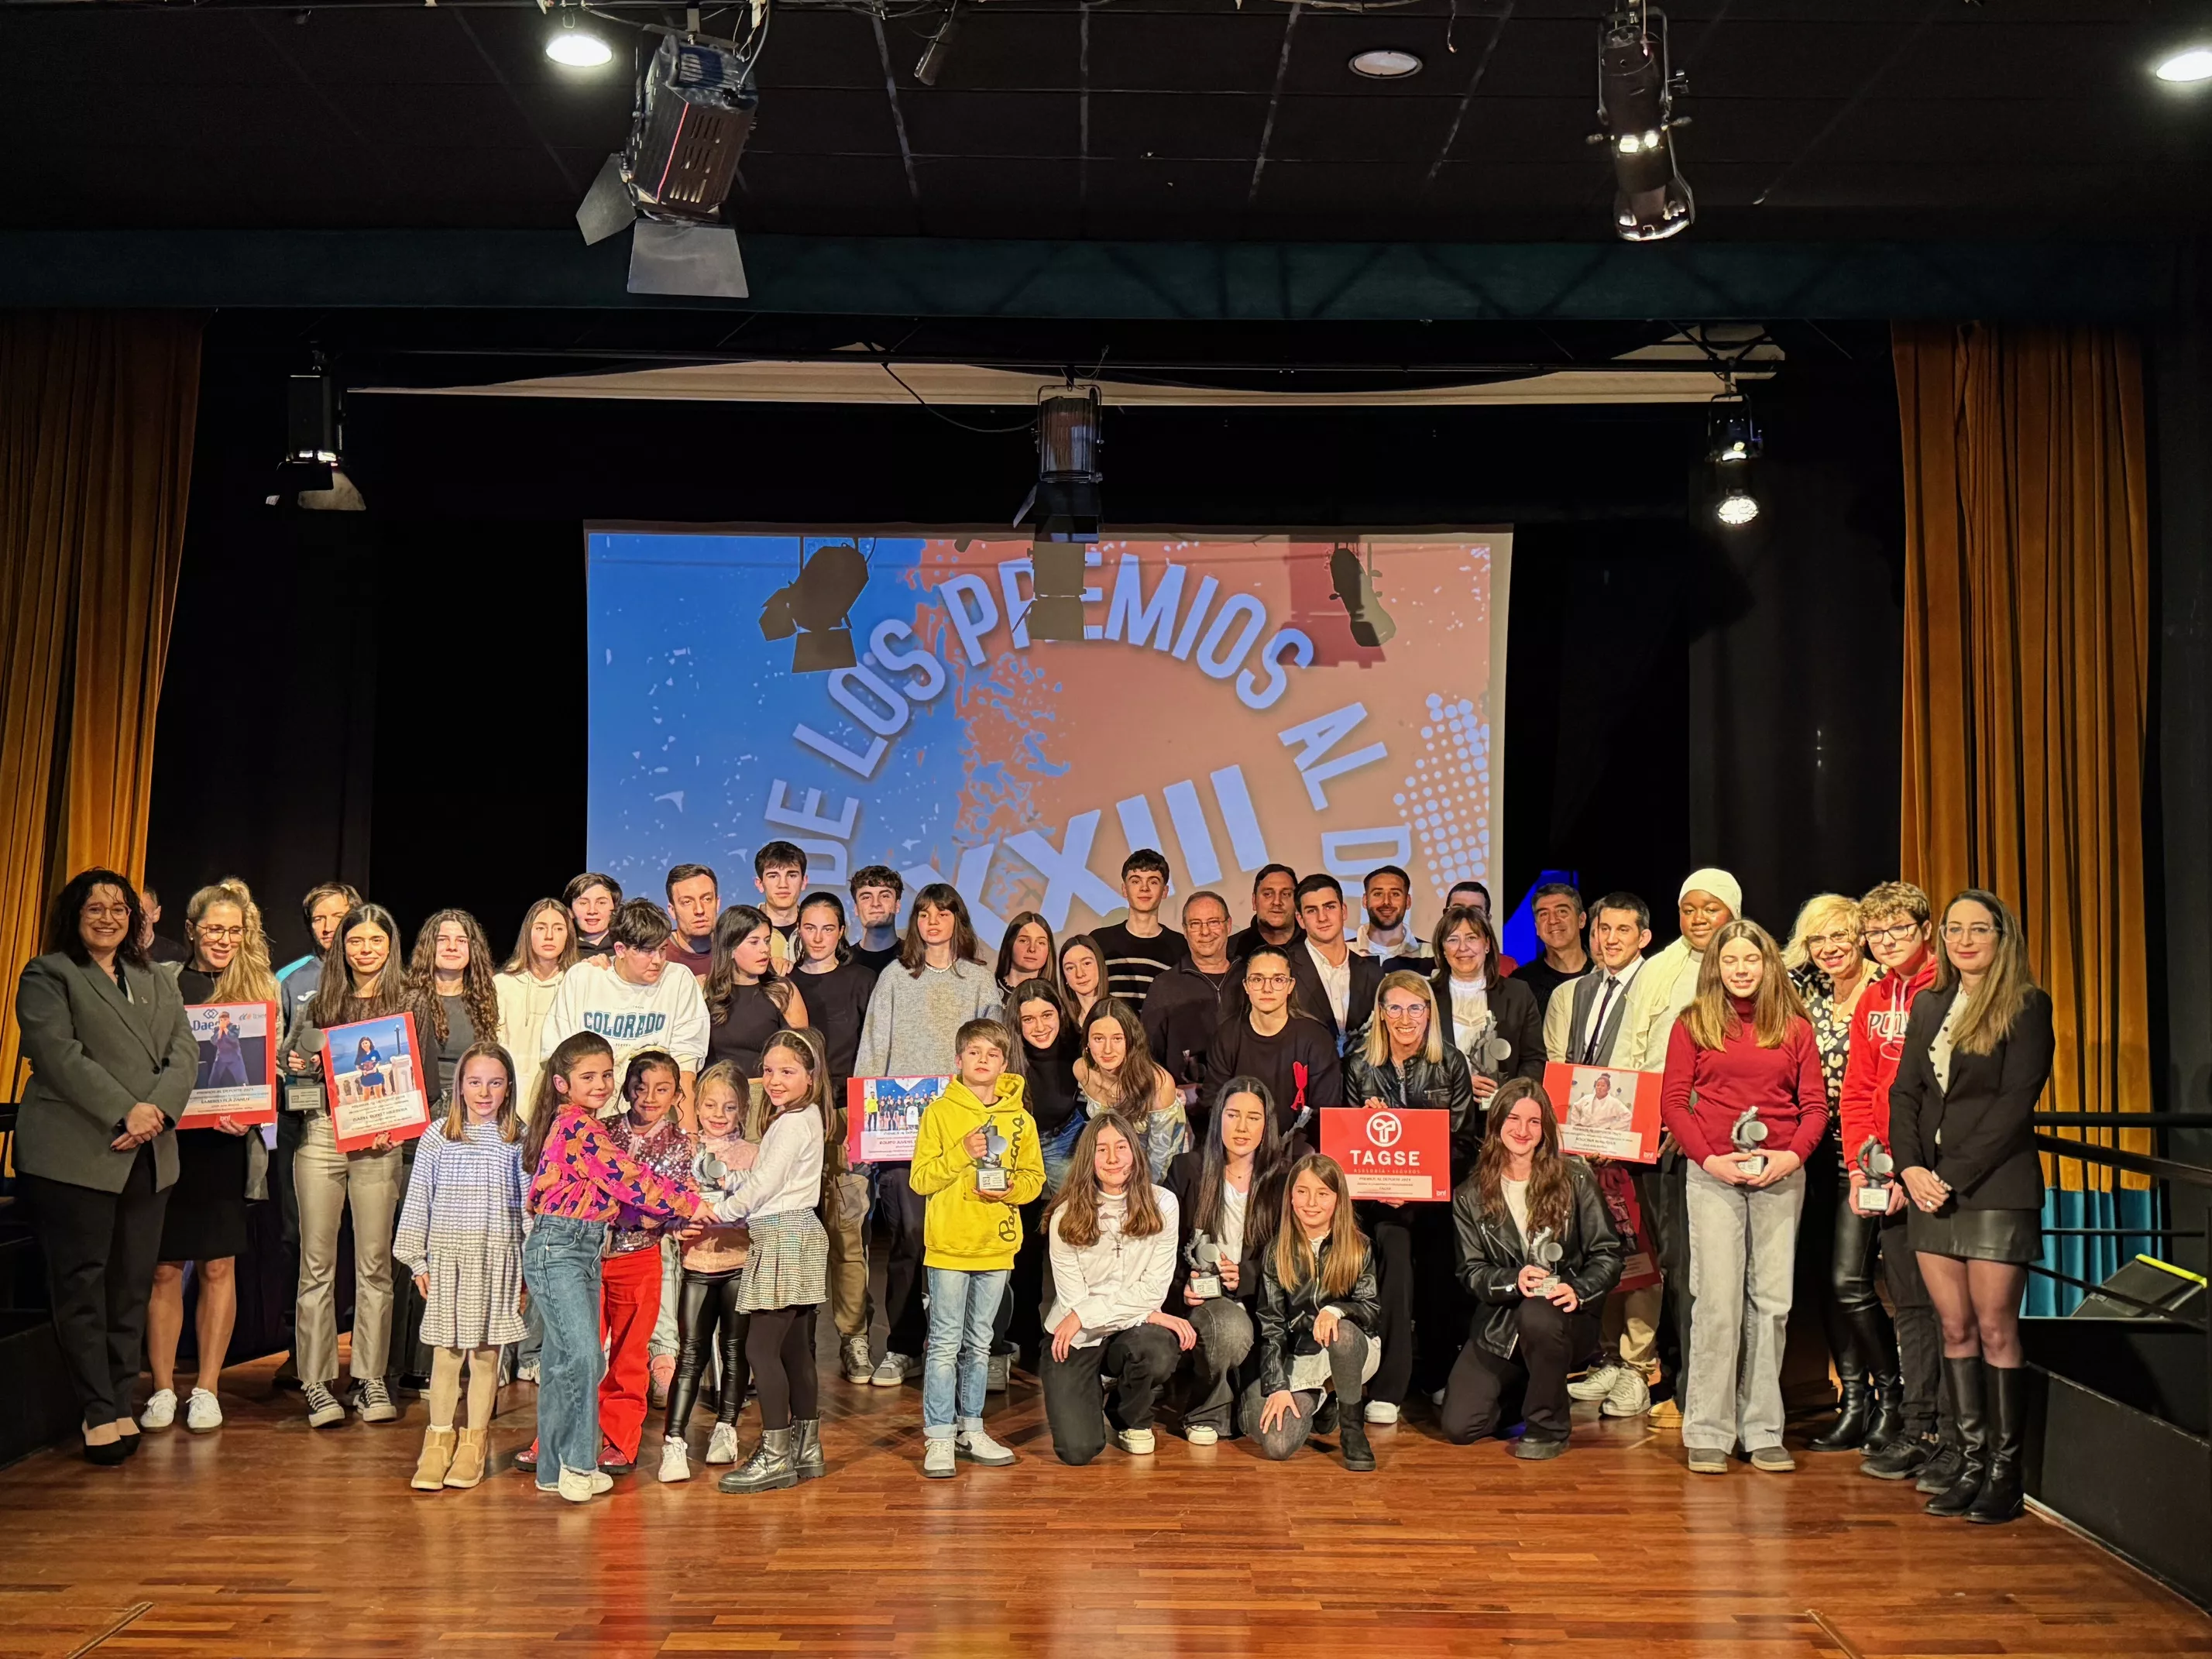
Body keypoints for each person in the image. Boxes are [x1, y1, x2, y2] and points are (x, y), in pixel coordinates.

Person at [15, 870, 197, 1463]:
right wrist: (125, 1110)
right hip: (76, 1153)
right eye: (94, 908)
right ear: (74, 914)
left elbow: (184, 1053)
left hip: (148, 1153)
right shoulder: (48, 975)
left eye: (119, 909)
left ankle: (120, 1399)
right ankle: (96, 1410)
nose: (108, 918)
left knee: (130, 1287)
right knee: (82, 1288)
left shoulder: (157, 978)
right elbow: (58, 1056)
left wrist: (156, 1112)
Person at [1888, 889, 2054, 1526]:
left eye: (1978, 929)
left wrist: (1946, 1177)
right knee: (1953, 1327)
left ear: (2001, 937)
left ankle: (2005, 1475)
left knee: (1994, 1329)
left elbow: (2014, 1105)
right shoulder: (1929, 1003)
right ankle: (1969, 1461)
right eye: (1954, 929)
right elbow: (1905, 1093)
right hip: (1931, 1190)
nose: (1963, 940)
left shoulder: (2026, 1005)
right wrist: (1910, 1169)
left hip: (1994, 1190)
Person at [1661, 918, 1826, 1475]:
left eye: (1751, 960)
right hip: (1714, 1175)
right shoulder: (1693, 1024)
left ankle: (1762, 1429)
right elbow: (1674, 1103)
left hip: (1780, 1175)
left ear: (1768, 964)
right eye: (1730, 960)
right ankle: (1709, 1429)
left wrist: (1791, 1158)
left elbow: (1815, 1107)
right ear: (1716, 966)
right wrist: (1709, 1159)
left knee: (1772, 1305)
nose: (1740, 969)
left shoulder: (1795, 1027)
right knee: (1717, 1302)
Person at [519, 1032, 706, 1503]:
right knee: (585, 1357)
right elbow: (628, 1179)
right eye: (588, 1077)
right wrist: (688, 1204)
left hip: (585, 1247)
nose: (600, 1085)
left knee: (563, 1360)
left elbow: (617, 1194)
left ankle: (553, 1468)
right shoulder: (580, 1127)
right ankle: (579, 1464)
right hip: (561, 1246)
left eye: (605, 1075)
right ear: (562, 1083)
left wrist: (672, 1213)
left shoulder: (589, 1126)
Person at [285, 901, 439, 1430]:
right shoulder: (320, 1000)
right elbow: (294, 1064)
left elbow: (425, 1086)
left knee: (375, 1264)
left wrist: (397, 1127)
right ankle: (316, 1381)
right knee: (316, 1266)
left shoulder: (411, 1001)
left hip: (381, 1142)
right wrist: (298, 1062)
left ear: (390, 946)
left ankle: (371, 1378)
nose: (365, 950)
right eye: (355, 941)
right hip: (323, 1137)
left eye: (376, 940)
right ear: (341, 947)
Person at [853, 883, 1001, 1389]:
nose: (933, 921)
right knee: (909, 1238)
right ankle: (901, 1346)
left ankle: (960, 1347)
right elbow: (872, 1051)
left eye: (943, 913)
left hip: (964, 1133)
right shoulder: (895, 977)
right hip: (902, 1138)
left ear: (959, 920)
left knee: (961, 1240)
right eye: (924, 913)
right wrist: (863, 1132)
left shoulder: (979, 981)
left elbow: (994, 1052)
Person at [144, 879, 277, 1435]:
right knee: (163, 1267)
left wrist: (250, 1113)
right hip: (169, 1143)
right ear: (192, 930)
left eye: (234, 930)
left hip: (226, 1146)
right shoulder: (163, 982)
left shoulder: (260, 988)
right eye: (214, 929)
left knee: (219, 1265)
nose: (224, 939)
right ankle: (161, 1389)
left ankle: (207, 1388)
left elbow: (266, 1070)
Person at [1614, 867, 1740, 1420]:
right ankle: (1669, 1374)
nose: (1698, 919)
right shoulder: (1658, 969)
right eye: (1689, 909)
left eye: (1710, 908)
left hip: (1718, 1138)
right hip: (1656, 1137)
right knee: (1664, 1261)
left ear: (1733, 912)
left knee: (1704, 1268)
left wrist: (1694, 1120)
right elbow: (1630, 1050)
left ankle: (1706, 1389)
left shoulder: (1747, 965)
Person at [1442, 1079, 1623, 1456]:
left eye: (1534, 1121)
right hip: (1502, 1323)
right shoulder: (1470, 1195)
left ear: (1545, 1129)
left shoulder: (1575, 1177)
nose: (1523, 1130)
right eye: (1513, 1119)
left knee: (1538, 1314)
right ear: (1496, 1123)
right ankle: (1543, 1388)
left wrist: (1579, 1289)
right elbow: (1471, 1271)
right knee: (1460, 1426)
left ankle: (1547, 1427)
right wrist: (1514, 1280)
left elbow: (1607, 1254)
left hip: (1565, 1314)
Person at [1839, 881, 1946, 1486]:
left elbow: (1940, 1095)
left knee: (1949, 1310)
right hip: (1886, 1175)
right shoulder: (1873, 997)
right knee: (1908, 1304)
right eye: (1875, 932)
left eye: (1898, 929)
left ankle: (1953, 1433)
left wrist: (1911, 1166)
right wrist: (1864, 1167)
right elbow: (1858, 1091)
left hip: (1936, 1176)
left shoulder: (1945, 988)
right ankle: (1919, 1426)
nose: (1885, 941)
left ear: (1926, 930)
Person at [702, 1028, 836, 1494]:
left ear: (811, 1076)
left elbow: (766, 1185)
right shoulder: (802, 1118)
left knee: (760, 1350)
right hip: (795, 1231)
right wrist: (731, 1186)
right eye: (770, 1071)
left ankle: (776, 1455)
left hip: (783, 1236)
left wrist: (720, 1211)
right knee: (793, 1348)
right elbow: (767, 1178)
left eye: (788, 1072)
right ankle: (806, 1448)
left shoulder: (793, 1122)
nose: (775, 1080)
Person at [909, 1018, 1045, 1476]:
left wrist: (1009, 1189)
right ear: (959, 1060)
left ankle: (972, 1427)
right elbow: (921, 1179)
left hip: (996, 1246)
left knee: (981, 1344)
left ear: (1004, 1064)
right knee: (945, 1343)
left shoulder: (1021, 1120)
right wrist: (963, 1152)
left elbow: (1034, 1180)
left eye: (992, 1054)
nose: (983, 1061)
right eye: (974, 1052)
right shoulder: (939, 1113)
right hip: (949, 1246)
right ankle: (939, 1435)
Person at [1343, 970, 1479, 1421]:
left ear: (1429, 1013)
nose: (1406, 1018)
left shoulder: (1452, 1063)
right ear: (1381, 1013)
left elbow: (1464, 1143)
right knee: (1396, 1257)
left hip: (1436, 1199)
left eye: (1415, 1008)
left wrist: (1417, 1185)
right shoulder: (1358, 1065)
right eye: (1395, 1008)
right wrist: (1368, 1125)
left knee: (1441, 1261)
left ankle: (1437, 1374)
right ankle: (1389, 1387)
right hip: (1379, 1203)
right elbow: (1348, 1146)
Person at [395, 1042, 527, 1492]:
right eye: (475, 1082)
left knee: (486, 1356)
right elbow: (418, 1200)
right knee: (446, 1354)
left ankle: (473, 1442)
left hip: (497, 1261)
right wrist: (418, 1260)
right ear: (460, 1086)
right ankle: (437, 1441)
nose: (484, 1093)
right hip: (448, 1261)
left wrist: (528, 1268)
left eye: (495, 1083)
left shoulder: (519, 1139)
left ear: (508, 1087)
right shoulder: (438, 1136)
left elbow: (530, 1206)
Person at [1783, 892, 1883, 1453]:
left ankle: (1891, 1397)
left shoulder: (1883, 989)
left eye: (1838, 936)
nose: (1828, 949)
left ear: (1860, 936)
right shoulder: (1809, 991)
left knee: (1851, 1282)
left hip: (1867, 1159)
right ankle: (1854, 1401)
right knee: (1826, 1281)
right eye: (1817, 939)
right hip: (1814, 1157)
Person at [1039, 1111, 1189, 1465]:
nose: (1112, 1158)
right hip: (1077, 1335)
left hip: (1124, 1331)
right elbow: (1073, 1300)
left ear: (1134, 1152)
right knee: (1078, 1451)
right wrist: (1145, 1313)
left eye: (1121, 1147)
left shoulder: (1164, 1204)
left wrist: (1141, 1313)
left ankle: (1125, 1413)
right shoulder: (1065, 1215)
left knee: (1157, 1347)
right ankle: (1090, 1386)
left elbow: (1153, 1290)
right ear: (1087, 1158)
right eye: (1101, 1149)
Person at [400, 908, 502, 1384]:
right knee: (420, 1241)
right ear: (428, 946)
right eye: (443, 939)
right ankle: (406, 1365)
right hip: (418, 1126)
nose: (452, 946)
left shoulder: (485, 999)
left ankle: (450, 1363)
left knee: (460, 1244)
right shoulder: (410, 998)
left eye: (462, 940)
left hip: (472, 1128)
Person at [1163, 1078, 1289, 1443]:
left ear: (1267, 1125)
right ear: (1218, 1117)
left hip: (1261, 1305)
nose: (1242, 1127)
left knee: (1263, 1430)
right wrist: (1182, 1285)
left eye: (1253, 1117)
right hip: (1206, 1303)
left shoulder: (1282, 1179)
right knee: (1229, 1328)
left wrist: (1246, 1276)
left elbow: (1291, 1256)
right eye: (1233, 1115)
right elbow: (1163, 1246)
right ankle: (1205, 1412)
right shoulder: (1187, 1169)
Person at [271, 880, 360, 1389]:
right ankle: (300, 1351)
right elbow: (275, 1050)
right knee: (300, 1237)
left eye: (338, 916)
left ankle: (366, 1357)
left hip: (365, 1120)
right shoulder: (290, 979)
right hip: (304, 1120)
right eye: (318, 919)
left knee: (365, 1240)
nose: (328, 927)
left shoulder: (376, 971)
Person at [590, 1051, 696, 1476]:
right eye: (640, 1086)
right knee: (577, 1351)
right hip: (589, 1256)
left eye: (662, 1088)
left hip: (638, 1258)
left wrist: (658, 1212)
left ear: (676, 1095)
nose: (649, 1097)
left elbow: (668, 1206)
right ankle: (559, 1435)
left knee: (630, 1355)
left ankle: (619, 1440)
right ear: (626, 1088)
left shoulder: (679, 1143)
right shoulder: (603, 1130)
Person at [792, 891, 881, 1385]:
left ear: (842, 931)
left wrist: (862, 1124)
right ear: (798, 931)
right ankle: (799, 1341)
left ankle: (854, 1337)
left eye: (828, 928)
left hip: (849, 1116)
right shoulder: (784, 984)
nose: (819, 937)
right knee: (798, 1236)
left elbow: (874, 1051)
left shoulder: (862, 980)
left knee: (848, 1235)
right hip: (797, 1118)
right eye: (810, 928)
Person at [1244, 1153, 1380, 1469]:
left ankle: (1352, 1430)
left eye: (1323, 1193)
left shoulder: (1359, 1247)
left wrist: (1336, 1310)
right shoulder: (1276, 1252)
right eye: (1302, 1192)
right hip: (1302, 1358)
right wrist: (1278, 1386)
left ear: (1338, 1199)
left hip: (1352, 1351)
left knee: (1341, 1333)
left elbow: (1370, 1311)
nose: (1311, 1203)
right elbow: (1272, 1325)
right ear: (1290, 1197)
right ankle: (1324, 1399)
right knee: (1277, 1444)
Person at [658, 1062, 757, 1482]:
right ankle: (674, 1442)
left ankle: (726, 1428)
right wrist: (677, 1225)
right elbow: (667, 1206)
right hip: (697, 1267)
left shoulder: (752, 1154)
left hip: (738, 1265)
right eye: (711, 1105)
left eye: (729, 1107)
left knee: (735, 1351)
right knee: (691, 1354)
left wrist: (735, 1212)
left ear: (743, 1110)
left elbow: (760, 1206)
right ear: (696, 1107)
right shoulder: (683, 1151)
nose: (719, 1114)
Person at [539, 898, 709, 1104]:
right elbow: (558, 1055)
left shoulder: (678, 980)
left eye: (662, 949)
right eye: (647, 951)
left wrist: (686, 1124)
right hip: (588, 1110)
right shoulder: (584, 978)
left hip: (653, 1111)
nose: (657, 960)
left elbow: (686, 1063)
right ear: (620, 949)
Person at [1008, 979, 1082, 1365]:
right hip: (1020, 1147)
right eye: (1029, 1019)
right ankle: (1023, 1337)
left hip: (1067, 1142)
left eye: (1047, 1015)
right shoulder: (1009, 1059)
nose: (1039, 1027)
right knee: (1025, 1249)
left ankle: (1079, 1333)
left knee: (1073, 1240)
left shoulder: (1078, 1047)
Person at [1203, 945, 1341, 1139]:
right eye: (1257, 979)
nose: (1267, 988)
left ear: (1290, 986)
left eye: (1278, 980)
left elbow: (1324, 1111)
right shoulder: (1227, 1035)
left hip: (1299, 1147)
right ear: (1246, 986)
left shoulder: (1316, 1038)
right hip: (1239, 1143)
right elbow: (1214, 1102)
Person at [1428, 902, 1545, 1096]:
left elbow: (1534, 1060)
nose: (1463, 948)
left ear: (1487, 944)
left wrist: (1510, 1098)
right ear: (1443, 949)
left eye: (1472, 938)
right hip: (1444, 1107)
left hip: (1504, 1106)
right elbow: (1415, 1064)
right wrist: (1460, 1085)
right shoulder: (1426, 996)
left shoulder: (1518, 993)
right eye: (1453, 940)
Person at [1077, 997, 1191, 1176]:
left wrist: (1141, 1189)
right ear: (1087, 1043)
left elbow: (1160, 1160)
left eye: (1117, 1038)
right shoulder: (1082, 1070)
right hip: (1111, 1164)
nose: (1107, 1049)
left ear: (1131, 1041)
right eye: (1098, 1039)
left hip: (1153, 1168)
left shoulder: (1158, 1083)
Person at [1141, 890, 1236, 1097]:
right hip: (1188, 1109)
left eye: (1213, 922)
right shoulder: (1165, 985)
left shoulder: (1250, 978)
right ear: (1185, 930)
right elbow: (1147, 1056)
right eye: (1195, 924)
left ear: (1228, 925)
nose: (1205, 932)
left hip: (1246, 1105)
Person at [704, 903, 811, 1078]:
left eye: (767, 941)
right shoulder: (707, 993)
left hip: (768, 1090)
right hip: (719, 1090)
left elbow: (803, 1058)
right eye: (754, 942)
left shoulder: (782, 992)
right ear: (730, 949)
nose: (765, 949)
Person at [495, 898, 576, 1121]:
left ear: (568, 935)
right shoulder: (502, 984)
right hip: (509, 1101)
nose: (549, 936)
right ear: (528, 933)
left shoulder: (576, 984)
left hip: (558, 1101)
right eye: (540, 928)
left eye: (558, 928)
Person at [1288, 874, 1383, 1055]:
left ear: (1343, 911)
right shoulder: (1285, 969)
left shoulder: (1372, 973)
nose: (1322, 917)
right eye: (1312, 911)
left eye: (1329, 907)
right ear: (1300, 920)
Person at [1091, 849, 1185, 1010]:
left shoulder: (1180, 946)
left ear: (1165, 891)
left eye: (1153, 882)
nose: (1144, 888)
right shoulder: (1099, 941)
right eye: (1136, 881)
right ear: (1124, 889)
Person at [1512, 882, 1592, 1022]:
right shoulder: (1520, 984)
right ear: (1537, 928)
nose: (1553, 920)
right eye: (1544, 914)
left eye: (1562, 912)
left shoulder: (1604, 974)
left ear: (1581, 920)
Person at [753, 841, 809, 973]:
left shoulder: (820, 930)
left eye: (792, 875)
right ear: (760, 884)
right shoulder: (743, 931)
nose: (783, 884)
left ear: (804, 882)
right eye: (773, 876)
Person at [1227, 864, 1301, 963]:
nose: (1277, 902)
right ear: (1254, 901)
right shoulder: (1230, 952)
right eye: (1268, 894)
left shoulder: (1315, 944)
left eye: (1286, 894)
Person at [1444, 881, 1518, 975]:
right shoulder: (1428, 965)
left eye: (1475, 911)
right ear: (1445, 915)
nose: (1466, 916)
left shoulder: (1507, 968)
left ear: (1488, 919)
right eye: (1458, 910)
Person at [1355, 864, 1426, 961]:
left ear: (1408, 901)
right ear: (1365, 901)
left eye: (1395, 894)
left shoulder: (1432, 953)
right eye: (1378, 894)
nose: (1386, 902)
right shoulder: (1344, 951)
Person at [662, 864, 720, 979]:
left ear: (717, 904)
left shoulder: (735, 952)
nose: (699, 910)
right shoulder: (658, 956)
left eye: (707, 899)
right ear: (672, 910)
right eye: (687, 902)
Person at [993, 910, 1060, 1008]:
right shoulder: (987, 991)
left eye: (1041, 943)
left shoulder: (1057, 1001)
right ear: (1009, 944)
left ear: (1049, 950)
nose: (1032, 949)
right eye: (1024, 941)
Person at [848, 865, 905, 974]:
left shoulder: (917, 957)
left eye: (884, 896)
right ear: (856, 909)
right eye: (866, 897)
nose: (875, 903)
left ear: (897, 905)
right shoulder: (842, 963)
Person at [565, 873, 623, 958]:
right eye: (583, 903)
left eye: (601, 903)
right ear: (570, 911)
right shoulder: (561, 951)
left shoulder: (628, 948)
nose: (592, 911)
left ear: (615, 908)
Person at [1058, 933, 1108, 1025]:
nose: (1080, 974)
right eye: (1070, 968)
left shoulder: (1119, 1013)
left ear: (1099, 966)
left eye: (1087, 963)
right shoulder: (1061, 1021)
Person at [138, 883, 190, 965]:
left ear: (156, 914)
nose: (133, 919)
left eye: (141, 913)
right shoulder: (117, 950)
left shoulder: (176, 955)